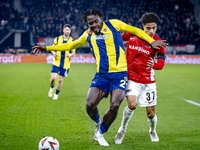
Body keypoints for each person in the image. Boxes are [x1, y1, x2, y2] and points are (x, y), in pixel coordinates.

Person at [32, 8, 167, 146]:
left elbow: (135, 30)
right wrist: (47, 48)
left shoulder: (114, 24)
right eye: (90, 23)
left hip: (120, 74)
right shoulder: (88, 35)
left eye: (96, 21)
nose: (94, 25)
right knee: (89, 105)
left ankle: (101, 133)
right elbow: (71, 44)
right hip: (101, 75)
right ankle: (98, 121)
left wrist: (151, 41)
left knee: (115, 104)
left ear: (101, 18)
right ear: (88, 24)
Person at [115, 13, 165, 144]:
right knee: (132, 105)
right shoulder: (133, 34)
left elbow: (161, 63)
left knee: (151, 114)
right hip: (132, 78)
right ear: (143, 26)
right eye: (148, 28)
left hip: (148, 81)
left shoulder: (157, 42)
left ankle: (152, 130)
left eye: (154, 28)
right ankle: (122, 129)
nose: (151, 31)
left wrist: (155, 64)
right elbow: (116, 39)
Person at [48, 24, 75, 100]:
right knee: (53, 78)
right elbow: (52, 48)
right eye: (66, 30)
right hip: (56, 62)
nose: (68, 31)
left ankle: (56, 94)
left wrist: (70, 54)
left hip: (65, 64)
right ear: (63, 30)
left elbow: (73, 52)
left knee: (60, 80)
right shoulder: (57, 39)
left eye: (69, 30)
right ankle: (51, 88)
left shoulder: (72, 41)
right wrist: (53, 53)